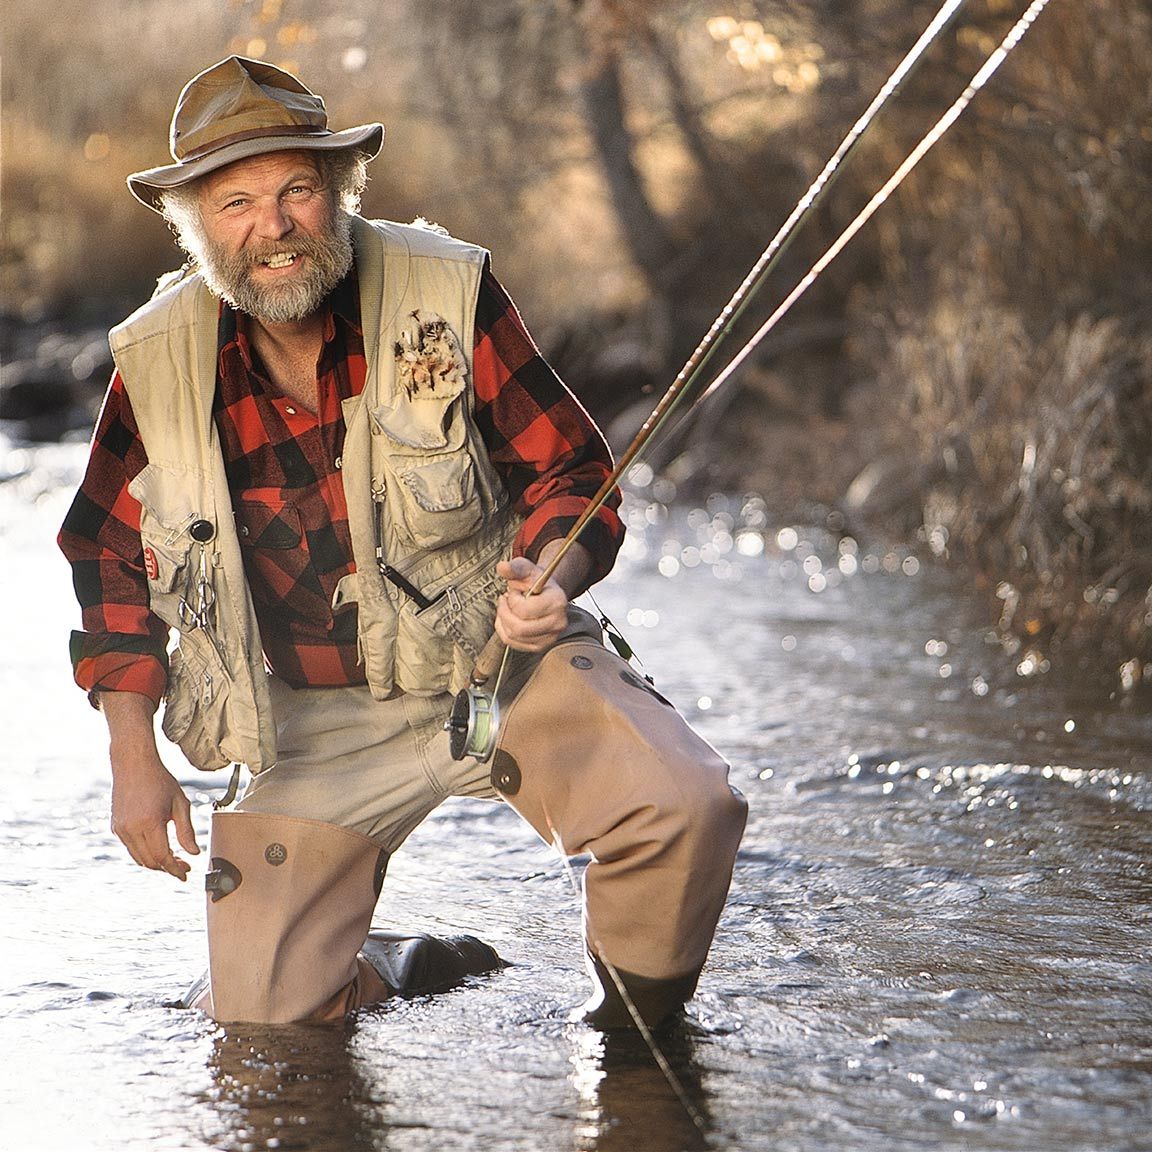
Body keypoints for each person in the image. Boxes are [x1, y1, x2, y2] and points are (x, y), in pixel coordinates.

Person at [59, 56, 747, 1027]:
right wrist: (134, 753)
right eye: (238, 202)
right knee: (260, 1028)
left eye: (299, 189)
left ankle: (637, 1047)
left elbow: (571, 473)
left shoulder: (444, 292)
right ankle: (394, 963)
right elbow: (106, 554)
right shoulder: (156, 361)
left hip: (493, 665)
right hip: (307, 721)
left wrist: (557, 565)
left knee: (686, 811)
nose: (276, 226)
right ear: (193, 226)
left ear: (339, 192)